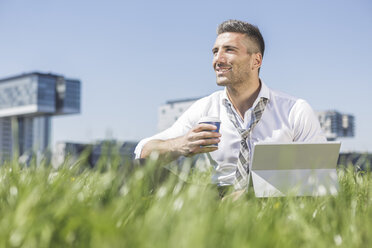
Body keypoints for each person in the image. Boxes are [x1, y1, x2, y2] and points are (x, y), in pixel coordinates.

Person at [134, 19, 326, 195]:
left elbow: (319, 175)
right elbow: (143, 151)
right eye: (215, 51)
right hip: (217, 196)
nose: (218, 59)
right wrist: (181, 144)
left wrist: (248, 196)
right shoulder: (205, 108)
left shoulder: (294, 109)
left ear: (256, 61)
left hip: (273, 195)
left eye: (229, 50)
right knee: (140, 169)